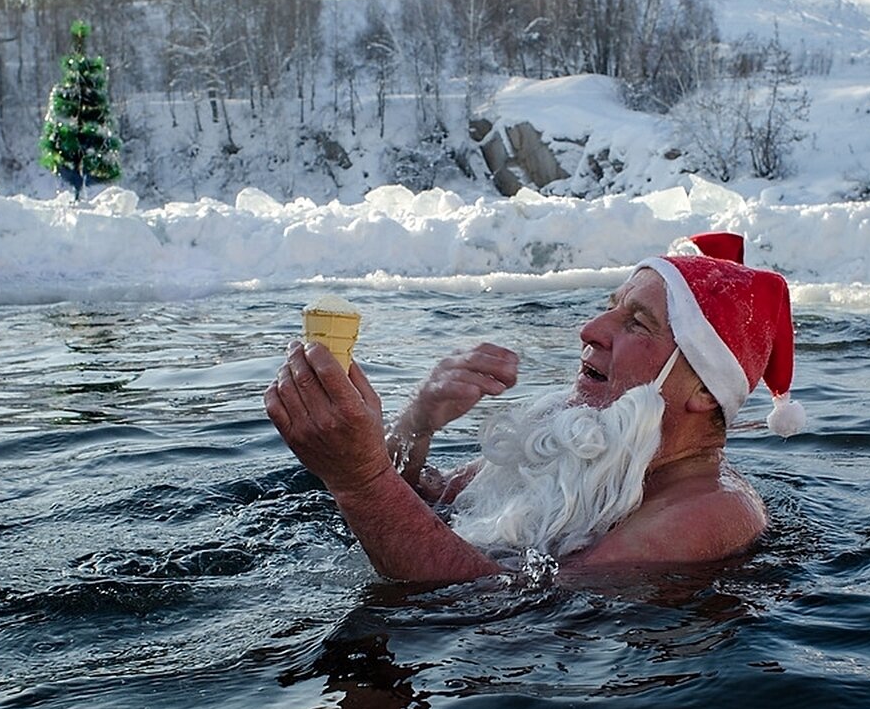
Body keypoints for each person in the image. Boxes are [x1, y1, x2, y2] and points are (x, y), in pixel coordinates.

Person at [265, 232, 806, 583]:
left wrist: (359, 482)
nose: (590, 331)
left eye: (636, 323)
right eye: (608, 308)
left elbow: (501, 609)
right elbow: (428, 498)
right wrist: (416, 424)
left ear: (706, 391)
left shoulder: (709, 511)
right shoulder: (583, 445)